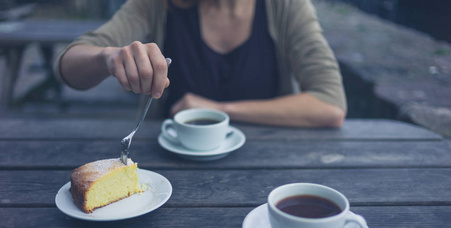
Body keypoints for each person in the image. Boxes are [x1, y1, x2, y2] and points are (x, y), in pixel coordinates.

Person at [54, 0, 347, 127]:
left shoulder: (284, 7)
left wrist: (219, 110)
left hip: (267, 163)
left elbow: (330, 105)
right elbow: (68, 66)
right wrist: (108, 57)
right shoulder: (156, 6)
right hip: (170, 166)